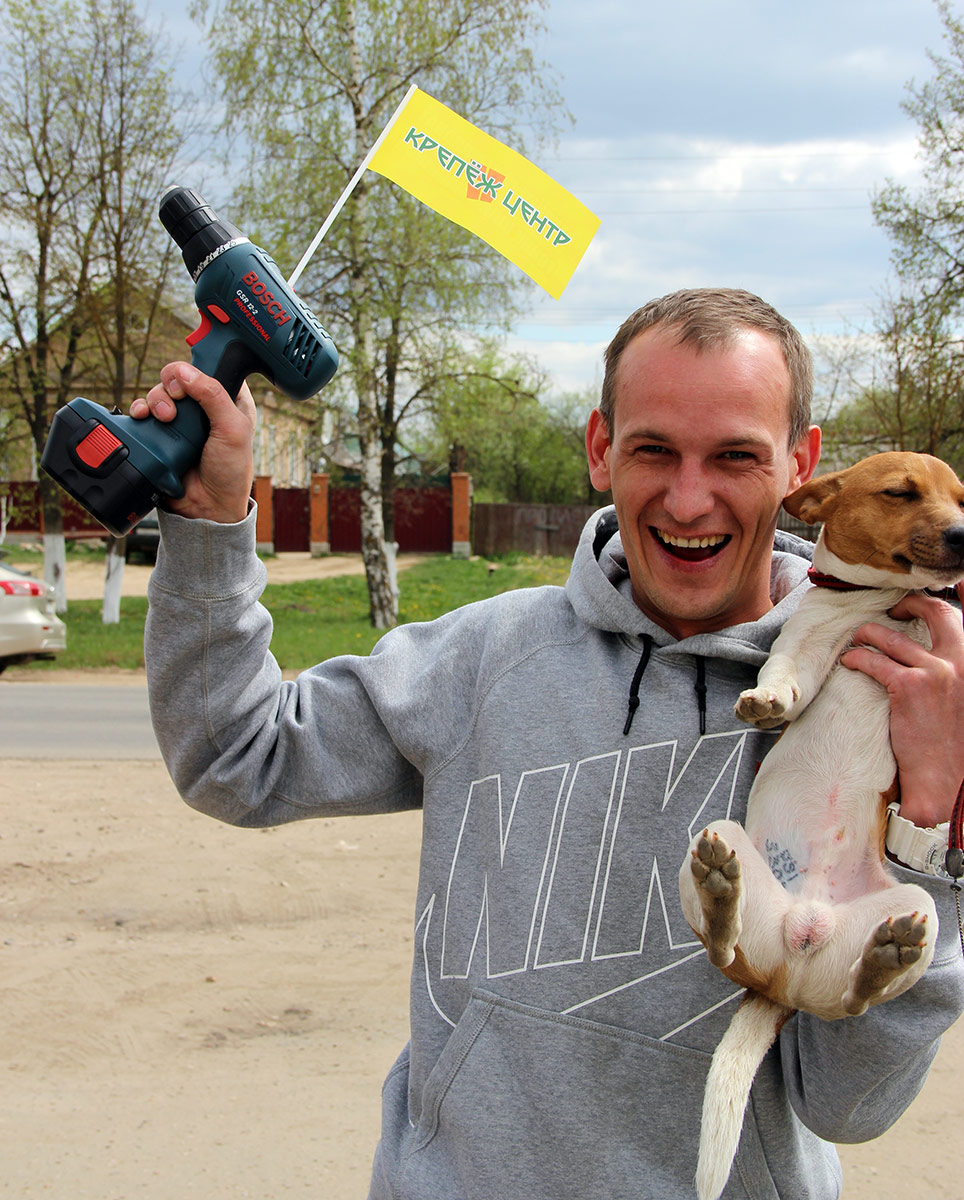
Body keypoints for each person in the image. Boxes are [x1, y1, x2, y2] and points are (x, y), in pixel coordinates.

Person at [135, 287, 964, 1199]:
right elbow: (234, 758)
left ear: (800, 463)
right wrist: (211, 524)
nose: (691, 500)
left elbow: (851, 1105)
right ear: (602, 449)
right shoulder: (485, 656)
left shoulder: (890, 696)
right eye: (654, 449)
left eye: (734, 455)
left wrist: (933, 818)